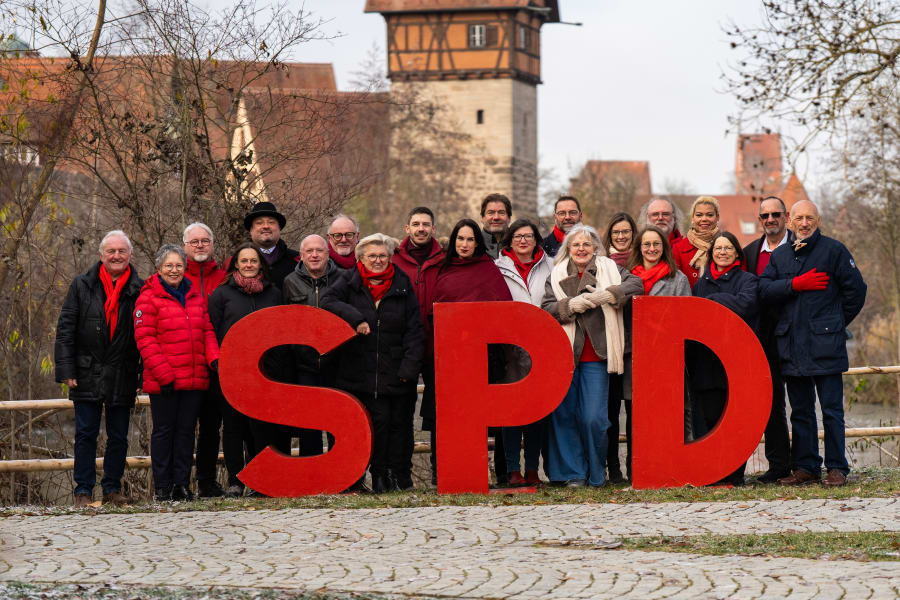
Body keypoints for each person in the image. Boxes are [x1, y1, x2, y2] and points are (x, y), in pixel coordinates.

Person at [759, 200, 866, 487]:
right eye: (799, 218)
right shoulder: (780, 256)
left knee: (831, 411)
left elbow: (857, 290)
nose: (804, 223)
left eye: (810, 218)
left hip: (825, 345)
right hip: (792, 346)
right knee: (801, 411)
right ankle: (806, 466)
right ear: (790, 222)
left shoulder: (834, 251)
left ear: (818, 220)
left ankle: (836, 468)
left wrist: (834, 323)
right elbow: (764, 290)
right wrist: (793, 284)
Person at [321, 233, 424, 492]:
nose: (377, 261)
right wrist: (355, 318)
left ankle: (389, 475)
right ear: (361, 259)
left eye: (382, 256)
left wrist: (409, 368)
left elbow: (414, 330)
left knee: (396, 428)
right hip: (358, 372)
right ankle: (364, 476)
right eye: (372, 256)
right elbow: (327, 301)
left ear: (390, 258)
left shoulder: (401, 284)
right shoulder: (349, 281)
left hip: (395, 370)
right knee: (368, 427)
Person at [541, 224, 642, 487]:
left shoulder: (610, 268)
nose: (582, 249)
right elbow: (546, 308)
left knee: (594, 419)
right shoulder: (556, 274)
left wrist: (607, 295)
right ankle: (573, 473)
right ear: (568, 249)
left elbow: (636, 284)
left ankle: (596, 472)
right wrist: (569, 305)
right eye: (576, 245)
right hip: (565, 356)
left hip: (597, 356)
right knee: (563, 416)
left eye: (587, 244)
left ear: (596, 247)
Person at [54, 230, 144, 507]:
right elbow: (65, 330)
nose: (116, 256)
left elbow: (146, 334)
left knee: (118, 436)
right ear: (101, 255)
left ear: (130, 255)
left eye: (122, 251)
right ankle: (83, 490)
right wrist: (66, 369)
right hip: (86, 370)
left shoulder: (140, 288)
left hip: (122, 371)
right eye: (111, 251)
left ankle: (112, 489)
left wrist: (142, 372)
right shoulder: (81, 285)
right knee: (85, 434)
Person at [134, 244, 219, 501]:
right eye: (169, 266)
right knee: (164, 432)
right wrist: (165, 376)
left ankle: (181, 484)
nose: (174, 270)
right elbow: (145, 339)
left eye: (179, 266)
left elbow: (207, 332)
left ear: (185, 268)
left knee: (185, 433)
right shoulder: (148, 297)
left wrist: (215, 359)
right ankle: (162, 486)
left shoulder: (194, 297)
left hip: (194, 378)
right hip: (165, 381)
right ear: (159, 268)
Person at [433, 218, 513, 485]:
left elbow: (502, 309)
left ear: (477, 244)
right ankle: (460, 472)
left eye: (470, 240)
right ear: (453, 241)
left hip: (487, 356)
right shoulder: (443, 270)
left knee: (494, 415)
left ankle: (501, 471)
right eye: (460, 239)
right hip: (453, 358)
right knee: (458, 416)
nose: (464, 244)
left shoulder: (488, 270)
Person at [208, 243, 287, 496]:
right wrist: (219, 362)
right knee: (233, 427)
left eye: (254, 260)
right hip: (232, 371)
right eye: (244, 261)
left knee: (261, 427)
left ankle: (259, 479)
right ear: (236, 265)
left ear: (260, 264)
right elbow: (212, 329)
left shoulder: (273, 293)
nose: (249, 265)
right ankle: (236, 480)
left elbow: (280, 331)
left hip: (265, 372)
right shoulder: (222, 295)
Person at [689, 231, 759, 486]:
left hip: (737, 361)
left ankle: (735, 474)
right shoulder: (700, 284)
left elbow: (745, 305)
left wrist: (713, 301)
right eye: (718, 248)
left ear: (737, 253)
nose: (722, 252)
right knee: (709, 418)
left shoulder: (748, 280)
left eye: (728, 248)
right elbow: (696, 318)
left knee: (735, 419)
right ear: (711, 253)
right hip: (707, 362)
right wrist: (716, 303)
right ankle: (713, 472)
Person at [495, 219, 552, 486]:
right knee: (511, 410)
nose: (523, 241)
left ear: (536, 240)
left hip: (543, 348)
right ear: (509, 241)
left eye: (528, 236)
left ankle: (532, 468)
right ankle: (512, 469)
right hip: (511, 349)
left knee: (537, 412)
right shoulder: (497, 268)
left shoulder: (551, 265)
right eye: (517, 236)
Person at [391, 207, 445, 482]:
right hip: (403, 347)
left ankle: (440, 472)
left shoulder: (445, 259)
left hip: (439, 345)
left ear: (433, 229)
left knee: (439, 412)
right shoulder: (394, 260)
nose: (421, 228)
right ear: (407, 228)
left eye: (426, 224)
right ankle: (401, 475)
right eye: (416, 224)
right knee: (401, 411)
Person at [743, 196, 793, 483]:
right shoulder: (750, 253)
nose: (770, 219)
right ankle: (778, 465)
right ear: (759, 219)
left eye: (776, 214)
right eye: (765, 215)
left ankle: (805, 463)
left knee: (801, 403)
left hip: (797, 336)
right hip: (763, 338)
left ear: (785, 216)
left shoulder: (802, 248)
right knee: (771, 403)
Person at [628, 226, 693, 447]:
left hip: (668, 354)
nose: (652, 248)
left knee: (674, 407)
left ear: (664, 248)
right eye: (647, 244)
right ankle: (639, 464)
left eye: (656, 244)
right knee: (640, 410)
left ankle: (676, 456)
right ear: (639, 248)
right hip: (636, 354)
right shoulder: (628, 278)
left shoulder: (678, 279)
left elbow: (686, 320)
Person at [282, 234, 343, 457]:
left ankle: (341, 473)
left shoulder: (344, 279)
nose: (315, 255)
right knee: (309, 420)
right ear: (302, 256)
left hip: (337, 362)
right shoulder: (289, 282)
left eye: (320, 251)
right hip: (304, 363)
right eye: (310, 251)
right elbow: (286, 323)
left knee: (338, 419)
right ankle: (312, 474)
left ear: (328, 254)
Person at [182, 222, 227, 498]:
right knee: (184, 427)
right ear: (185, 245)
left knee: (212, 426)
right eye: (194, 241)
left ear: (212, 245)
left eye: (205, 241)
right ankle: (178, 482)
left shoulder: (224, 277)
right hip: (186, 361)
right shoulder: (174, 275)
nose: (200, 245)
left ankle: (207, 481)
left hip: (217, 362)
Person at [601, 212, 638, 482]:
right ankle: (613, 469)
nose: (621, 236)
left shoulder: (639, 263)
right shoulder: (602, 264)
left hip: (636, 348)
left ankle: (636, 467)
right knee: (611, 413)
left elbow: (639, 285)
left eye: (626, 232)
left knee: (635, 413)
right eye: (616, 233)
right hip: (611, 348)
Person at [244, 202, 299, 287]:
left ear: (279, 228)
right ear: (251, 230)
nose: (266, 226)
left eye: (271, 222)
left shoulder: (297, 260)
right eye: (259, 223)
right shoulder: (237, 262)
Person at [673, 196, 721, 287]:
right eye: (699, 215)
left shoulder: (727, 246)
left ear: (717, 217)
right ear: (692, 218)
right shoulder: (678, 249)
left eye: (709, 215)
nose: (704, 219)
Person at [480, 193, 512, 259]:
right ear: (482, 218)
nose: (496, 217)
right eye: (490, 213)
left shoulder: (520, 245)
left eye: (501, 213)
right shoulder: (473, 244)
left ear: (509, 218)